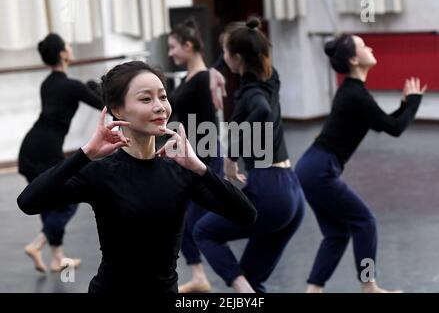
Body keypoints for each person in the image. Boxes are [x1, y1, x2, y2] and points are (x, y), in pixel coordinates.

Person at [17, 61, 257, 293]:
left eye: (162, 96)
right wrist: (86, 153)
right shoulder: (100, 173)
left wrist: (201, 169)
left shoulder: (181, 173)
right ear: (117, 109)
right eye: (145, 99)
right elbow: (28, 202)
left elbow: (246, 215)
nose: (160, 106)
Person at [295, 34, 427, 293]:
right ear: (355, 60)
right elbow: (395, 128)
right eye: (364, 46)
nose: (371, 47)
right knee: (364, 222)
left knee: (337, 233)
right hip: (320, 169)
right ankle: (369, 286)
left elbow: (383, 123)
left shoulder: (353, 93)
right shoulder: (356, 95)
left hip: (311, 167)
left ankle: (313, 290)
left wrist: (405, 105)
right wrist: (412, 103)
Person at [193, 18, 305, 293]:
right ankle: (249, 290)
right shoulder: (270, 77)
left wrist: (232, 155)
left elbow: (262, 112)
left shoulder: (253, 92)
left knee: (204, 232)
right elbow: (241, 54)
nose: (222, 57)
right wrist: (216, 70)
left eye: (225, 52)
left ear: (237, 57)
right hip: (291, 191)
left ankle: (244, 291)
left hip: (269, 189)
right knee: (254, 279)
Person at [18, 33, 103, 273]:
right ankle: (38, 244)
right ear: (63, 54)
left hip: (29, 148)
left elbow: (68, 97)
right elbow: (103, 105)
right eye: (67, 45)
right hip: (46, 150)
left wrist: (87, 88)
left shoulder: (48, 83)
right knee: (70, 199)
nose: (70, 47)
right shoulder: (72, 86)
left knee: (47, 200)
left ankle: (57, 258)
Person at [168, 19, 223, 293]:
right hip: (189, 156)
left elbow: (208, 124)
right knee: (181, 218)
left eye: (174, 47)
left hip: (203, 157)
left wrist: (202, 162)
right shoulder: (193, 77)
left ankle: (230, 277)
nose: (170, 53)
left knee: (194, 221)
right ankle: (199, 275)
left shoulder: (203, 78)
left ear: (189, 46)